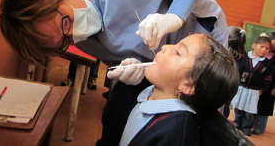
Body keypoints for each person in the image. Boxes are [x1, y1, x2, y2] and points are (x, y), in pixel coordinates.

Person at [0, 0, 228, 143]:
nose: (76, 36)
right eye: (64, 42)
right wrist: (131, 67)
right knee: (119, 110)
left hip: (199, 39)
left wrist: (175, 16)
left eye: (66, 24)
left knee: (195, 120)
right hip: (159, 66)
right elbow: (122, 55)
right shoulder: (75, 35)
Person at [107, 34, 254, 146]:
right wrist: (126, 86)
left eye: (178, 52)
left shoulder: (176, 134)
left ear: (188, 86)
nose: (165, 47)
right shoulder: (149, 92)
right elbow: (114, 129)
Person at [231, 36, 272, 136]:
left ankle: (246, 127)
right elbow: (237, 71)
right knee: (239, 106)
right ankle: (237, 123)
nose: (264, 50)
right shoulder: (244, 58)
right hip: (242, 88)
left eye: (267, 48)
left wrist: (262, 89)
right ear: (254, 46)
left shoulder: (266, 64)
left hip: (255, 91)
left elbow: (268, 78)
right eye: (261, 46)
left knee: (250, 110)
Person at [252, 32, 275, 134]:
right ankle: (252, 124)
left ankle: (260, 128)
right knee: (255, 104)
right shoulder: (265, 53)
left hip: (271, 87)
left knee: (264, 107)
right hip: (259, 85)